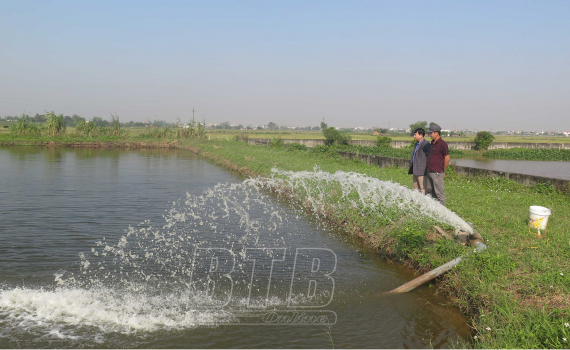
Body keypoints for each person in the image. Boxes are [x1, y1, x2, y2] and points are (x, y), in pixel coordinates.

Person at [425, 124, 450, 206]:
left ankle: (443, 211)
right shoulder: (432, 143)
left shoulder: (442, 144)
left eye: (431, 133)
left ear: (436, 133)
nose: (430, 134)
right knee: (429, 190)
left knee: (439, 192)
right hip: (430, 170)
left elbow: (447, 158)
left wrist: (443, 170)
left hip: (437, 172)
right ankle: (433, 207)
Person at [408, 128, 430, 194]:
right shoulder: (417, 144)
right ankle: (416, 202)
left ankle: (424, 202)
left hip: (422, 171)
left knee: (423, 188)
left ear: (421, 135)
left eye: (415, 134)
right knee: (415, 187)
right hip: (415, 169)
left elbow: (429, 157)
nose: (414, 136)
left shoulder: (426, 145)